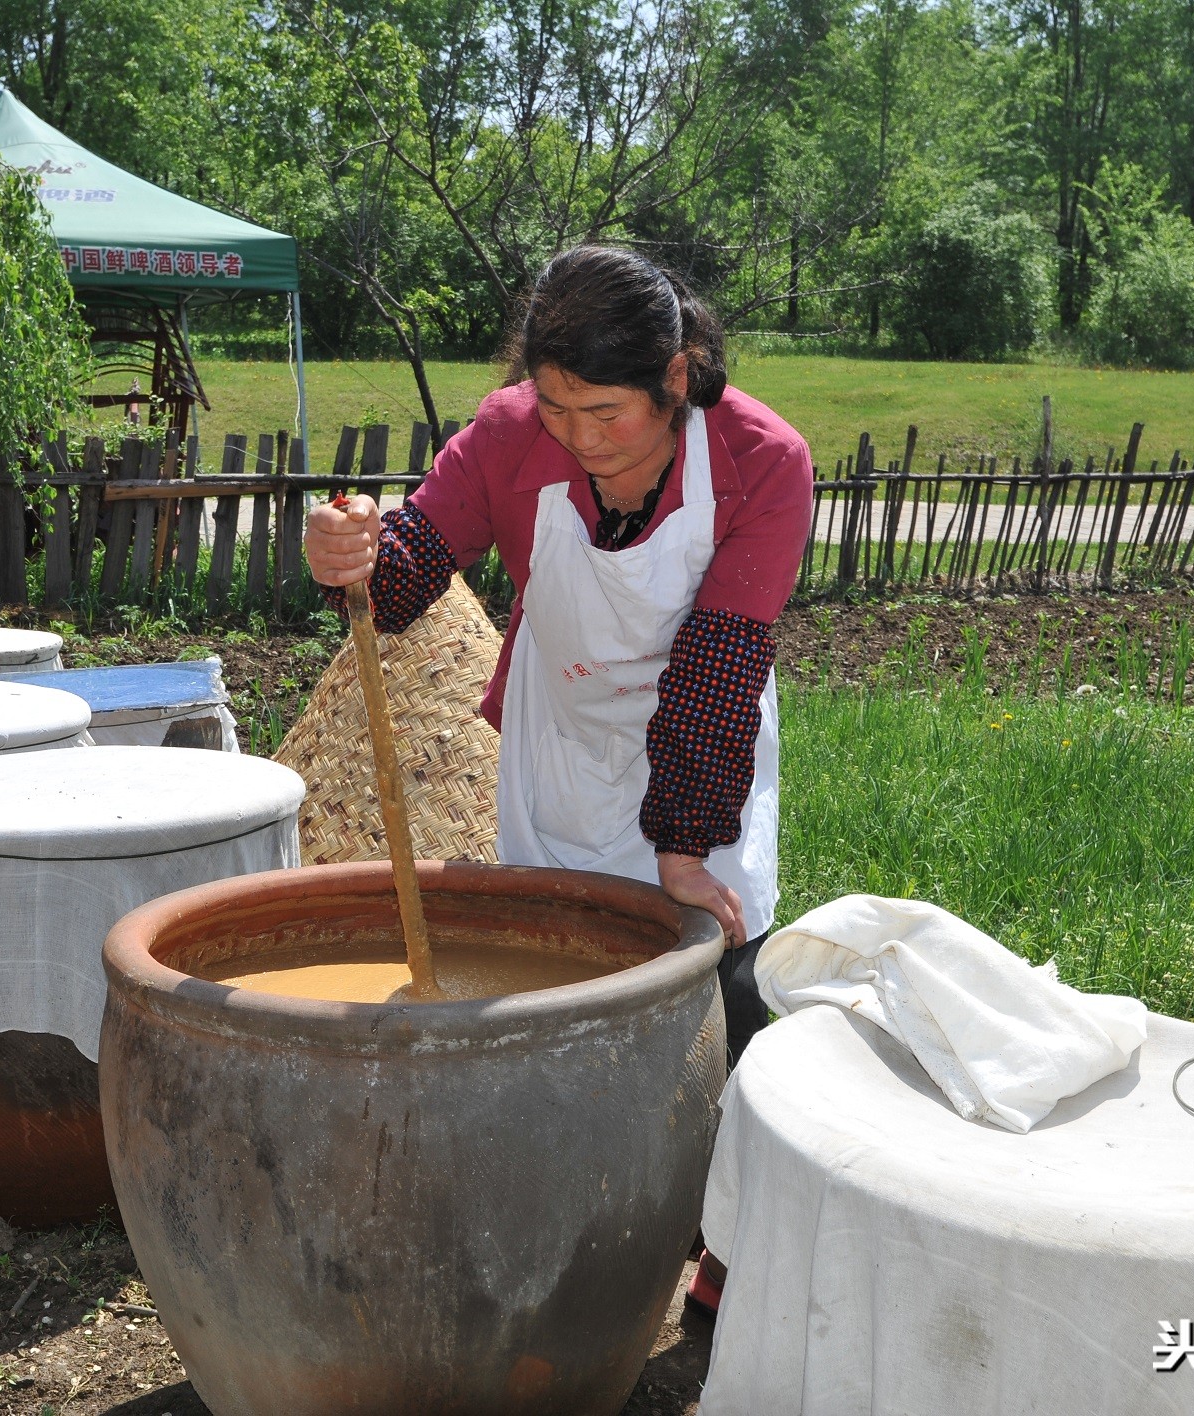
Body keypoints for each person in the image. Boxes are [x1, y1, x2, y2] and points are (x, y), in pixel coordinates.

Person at [302, 246, 812, 1312]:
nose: (580, 440)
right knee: (560, 972)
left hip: (702, 740)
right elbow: (401, 585)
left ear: (677, 376)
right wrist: (350, 552)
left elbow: (717, 663)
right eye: (558, 408)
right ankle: (584, 1214)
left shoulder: (762, 458)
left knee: (717, 979)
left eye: (608, 415)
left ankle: (726, 1246)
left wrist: (681, 843)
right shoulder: (505, 435)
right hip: (562, 733)